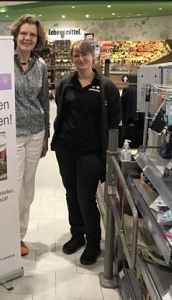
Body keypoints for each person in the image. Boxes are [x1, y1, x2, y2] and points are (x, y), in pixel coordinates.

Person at [50, 40, 121, 265]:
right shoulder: (65, 84)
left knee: (86, 196)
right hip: (66, 150)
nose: (80, 59)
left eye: (85, 55)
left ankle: (93, 242)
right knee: (71, 193)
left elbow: (115, 121)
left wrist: (109, 155)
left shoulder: (106, 86)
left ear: (93, 57)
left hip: (91, 153)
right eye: (76, 56)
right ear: (72, 59)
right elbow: (60, 112)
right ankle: (76, 235)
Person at [9, 14, 50, 257]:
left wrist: (46, 134)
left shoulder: (41, 65)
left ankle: (20, 236)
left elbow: (44, 100)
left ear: (38, 39)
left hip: (36, 132)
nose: (27, 38)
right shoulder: (3, 61)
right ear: (16, 35)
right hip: (12, 133)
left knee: (28, 186)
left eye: (32, 35)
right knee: (14, 188)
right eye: (23, 33)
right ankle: (9, 235)